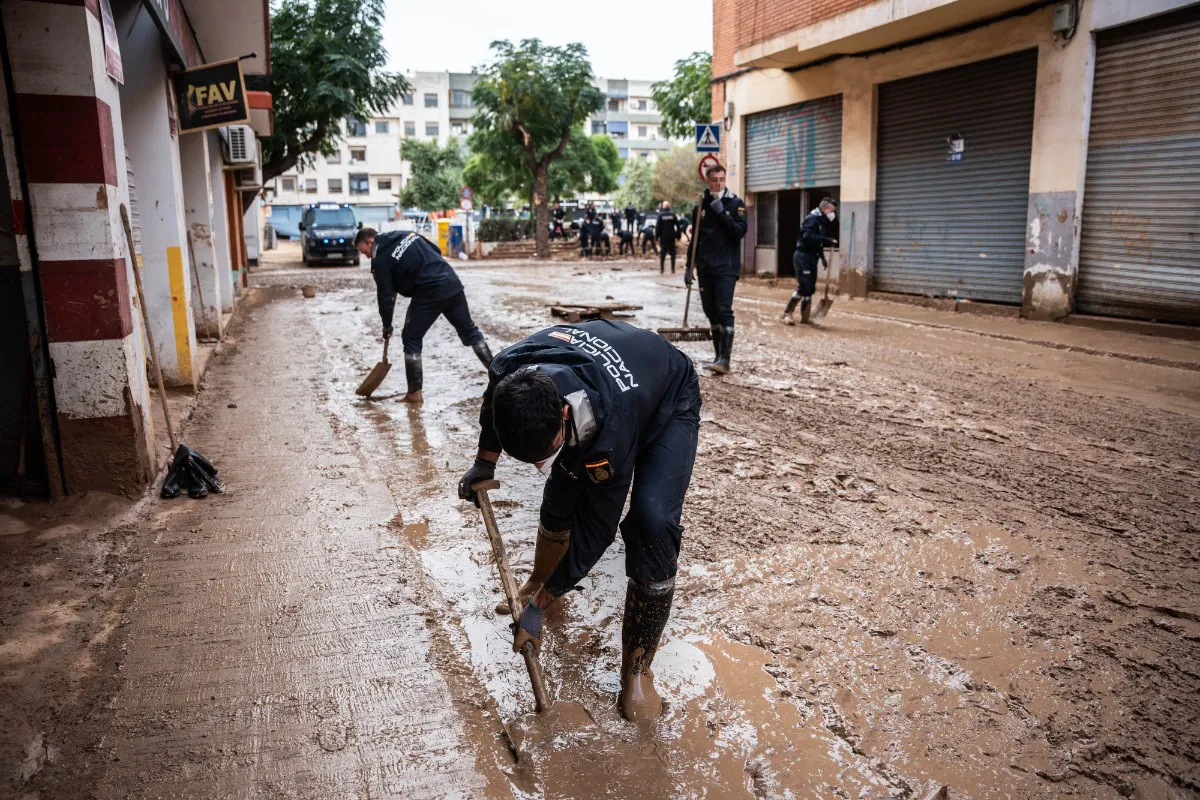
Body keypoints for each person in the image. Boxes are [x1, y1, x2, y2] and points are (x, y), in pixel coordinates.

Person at [457, 320, 701, 722]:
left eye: (542, 453)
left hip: (666, 395)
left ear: (565, 413)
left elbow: (597, 531)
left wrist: (537, 606)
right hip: (604, 370)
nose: (538, 466)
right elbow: (494, 405)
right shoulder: (509, 368)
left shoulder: (609, 430)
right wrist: (484, 463)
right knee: (564, 479)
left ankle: (637, 670)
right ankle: (541, 577)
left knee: (651, 523)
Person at [355, 227, 493, 403]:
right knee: (470, 331)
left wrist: (387, 325)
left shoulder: (381, 260)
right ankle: (499, 376)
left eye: (363, 251)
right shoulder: (406, 234)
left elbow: (385, 297)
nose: (366, 256)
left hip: (429, 292)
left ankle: (414, 392)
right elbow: (436, 250)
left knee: (411, 337)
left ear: (370, 241)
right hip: (451, 281)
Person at [685, 165, 747, 375]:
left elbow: (739, 232)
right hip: (705, 267)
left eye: (721, 179)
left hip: (726, 268)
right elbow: (695, 240)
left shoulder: (736, 204)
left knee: (723, 309)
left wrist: (723, 214)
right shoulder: (700, 205)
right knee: (710, 312)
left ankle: (725, 360)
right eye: (714, 180)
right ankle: (718, 356)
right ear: (708, 181)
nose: (718, 183)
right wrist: (688, 267)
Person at [783, 198, 838, 325]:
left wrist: (822, 258)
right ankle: (787, 313)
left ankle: (805, 318)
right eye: (832, 211)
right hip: (802, 257)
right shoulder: (812, 219)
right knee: (804, 286)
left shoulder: (821, 221)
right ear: (825, 209)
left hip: (812, 257)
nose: (833, 214)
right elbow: (807, 236)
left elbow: (817, 243)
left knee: (810, 288)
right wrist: (826, 239)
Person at [655, 201, 679, 274]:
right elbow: (677, 225)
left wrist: (656, 237)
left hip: (663, 237)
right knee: (673, 253)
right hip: (671, 236)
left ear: (663, 207)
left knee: (663, 253)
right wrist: (678, 235)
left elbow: (657, 227)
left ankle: (662, 269)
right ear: (669, 206)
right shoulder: (673, 214)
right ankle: (673, 269)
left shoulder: (660, 215)